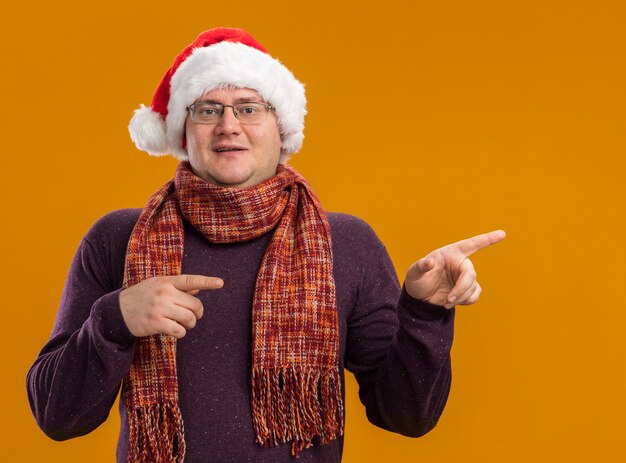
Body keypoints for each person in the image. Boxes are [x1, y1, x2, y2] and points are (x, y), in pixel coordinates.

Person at [27, 28, 505, 463]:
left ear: (282, 129)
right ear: (182, 131)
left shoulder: (347, 243)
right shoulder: (118, 239)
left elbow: (406, 417)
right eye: (207, 109)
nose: (228, 125)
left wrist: (423, 312)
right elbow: (57, 415)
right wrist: (114, 320)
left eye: (249, 108)